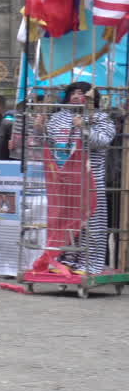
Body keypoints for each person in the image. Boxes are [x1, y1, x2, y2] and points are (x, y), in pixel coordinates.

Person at [46, 82, 115, 274]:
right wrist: (38, 129)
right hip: (66, 179)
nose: (76, 96)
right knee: (66, 220)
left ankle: (89, 263)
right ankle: (65, 260)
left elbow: (103, 141)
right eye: (73, 93)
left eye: (82, 93)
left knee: (91, 222)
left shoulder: (101, 117)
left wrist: (85, 127)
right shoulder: (57, 118)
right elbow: (48, 144)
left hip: (91, 177)